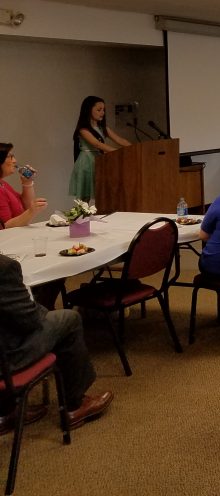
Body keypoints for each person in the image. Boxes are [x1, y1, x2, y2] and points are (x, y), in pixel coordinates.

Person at [0, 254, 113, 433]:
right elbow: (30, 320)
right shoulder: (4, 267)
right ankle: (76, 406)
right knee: (69, 318)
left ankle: (4, 412)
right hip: (8, 358)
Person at [69, 96, 132, 201]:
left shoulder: (103, 128)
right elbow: (98, 144)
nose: (102, 112)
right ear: (88, 110)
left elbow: (119, 140)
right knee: (85, 197)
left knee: (101, 193)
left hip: (99, 161)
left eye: (103, 110)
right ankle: (82, 216)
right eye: (99, 110)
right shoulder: (83, 129)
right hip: (87, 162)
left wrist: (133, 148)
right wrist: (120, 152)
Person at [0, 143, 48, 229]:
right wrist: (31, 211)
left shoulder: (3, 184)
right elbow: (5, 227)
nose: (15, 160)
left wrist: (27, 183)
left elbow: (25, 206)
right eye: (10, 156)